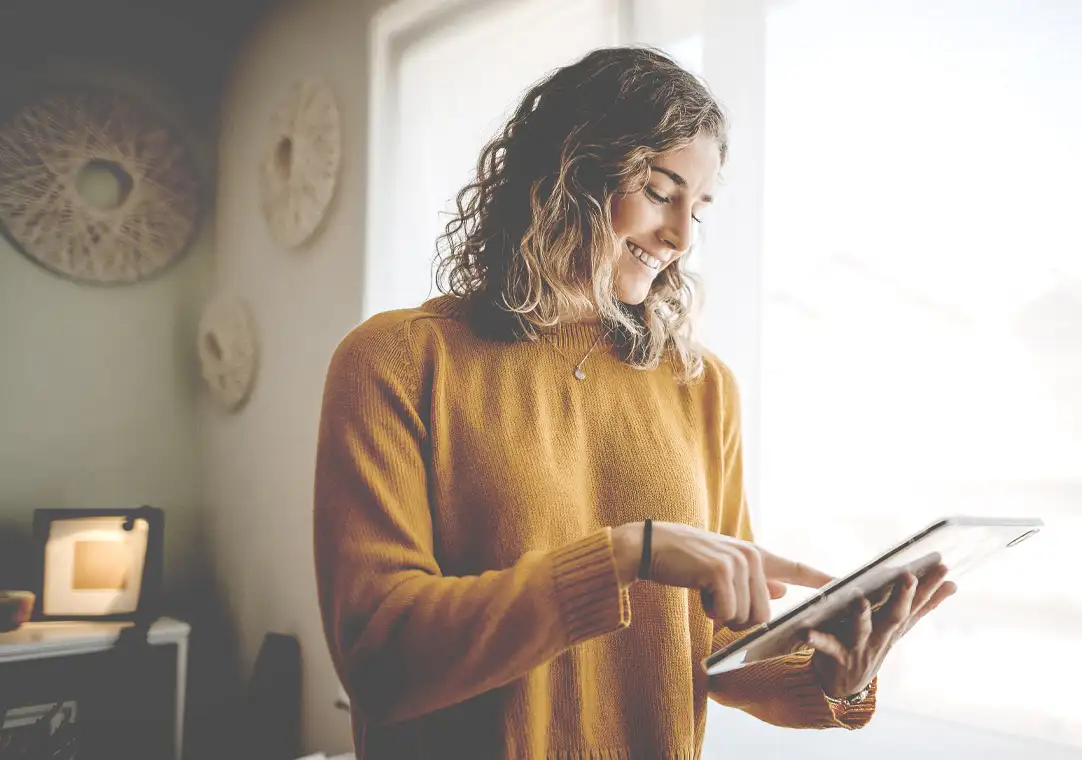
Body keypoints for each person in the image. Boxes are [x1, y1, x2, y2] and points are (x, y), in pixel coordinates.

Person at [313, 46, 956, 759]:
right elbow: (380, 659)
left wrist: (832, 678)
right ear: (569, 172)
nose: (681, 238)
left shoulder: (702, 387)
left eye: (699, 210)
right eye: (659, 191)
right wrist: (622, 556)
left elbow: (714, 640)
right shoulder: (396, 361)